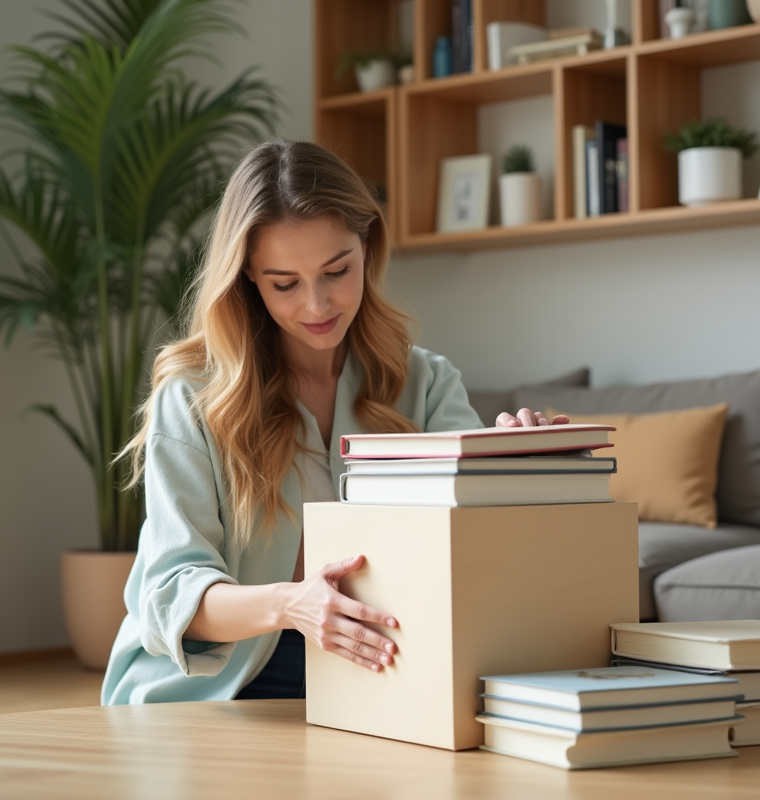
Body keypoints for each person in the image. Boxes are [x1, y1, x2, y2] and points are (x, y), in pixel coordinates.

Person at [101, 140, 565, 705]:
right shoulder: (194, 397)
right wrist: (292, 604)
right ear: (247, 276)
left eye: (336, 271)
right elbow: (172, 593)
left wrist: (519, 466)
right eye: (285, 283)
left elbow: (472, 544)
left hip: (379, 667)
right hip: (216, 686)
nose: (317, 305)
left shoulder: (426, 382)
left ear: (367, 248)